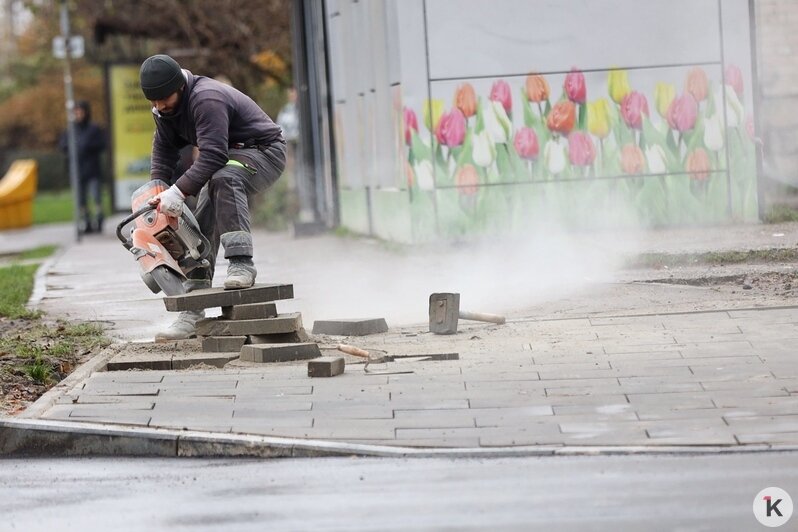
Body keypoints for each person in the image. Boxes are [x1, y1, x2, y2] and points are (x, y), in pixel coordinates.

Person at [139, 54, 286, 341]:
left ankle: (242, 263)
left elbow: (215, 154)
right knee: (199, 211)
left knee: (224, 179)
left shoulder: (206, 98)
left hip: (264, 151)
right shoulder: (164, 111)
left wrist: (178, 191)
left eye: (163, 99)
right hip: (229, 158)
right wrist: (157, 188)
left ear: (179, 86)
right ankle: (194, 304)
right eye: (153, 101)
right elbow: (164, 150)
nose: (159, 106)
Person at [59, 100, 107, 234]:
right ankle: (85, 221)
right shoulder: (71, 130)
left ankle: (98, 218)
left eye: (80, 112)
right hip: (77, 171)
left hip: (92, 169)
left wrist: (87, 146)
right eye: (76, 112)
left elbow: (101, 144)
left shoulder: (93, 129)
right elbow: (63, 145)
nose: (78, 115)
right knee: (81, 199)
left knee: (96, 196)